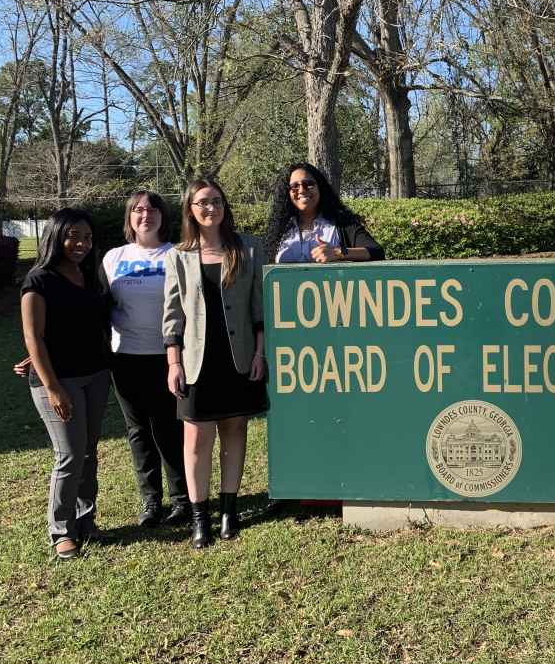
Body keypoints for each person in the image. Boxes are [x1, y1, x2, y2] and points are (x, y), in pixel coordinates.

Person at [163, 178, 267, 548]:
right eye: (204, 203)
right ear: (191, 209)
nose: (212, 208)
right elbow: (172, 315)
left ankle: (229, 510)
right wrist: (173, 362)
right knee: (196, 440)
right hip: (196, 362)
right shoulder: (178, 255)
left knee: (234, 433)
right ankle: (199, 517)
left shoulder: (250, 249)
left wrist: (260, 353)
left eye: (218, 201)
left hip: (238, 360)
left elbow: (260, 309)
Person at [20, 208, 111, 560]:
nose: (81, 244)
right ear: (56, 237)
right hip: (57, 382)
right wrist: (53, 387)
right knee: (70, 455)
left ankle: (85, 520)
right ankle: (61, 530)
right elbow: (34, 337)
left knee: (89, 452)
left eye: (87, 238)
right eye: (74, 236)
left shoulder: (88, 274)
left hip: (95, 375)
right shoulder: (38, 280)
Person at [101, 191, 190, 528]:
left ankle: (181, 500)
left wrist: (178, 357)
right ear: (129, 217)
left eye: (152, 209)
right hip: (125, 358)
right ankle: (150, 503)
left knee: (170, 430)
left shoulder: (178, 254)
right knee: (138, 432)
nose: (145, 215)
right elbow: (101, 308)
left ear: (162, 217)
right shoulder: (113, 257)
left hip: (168, 358)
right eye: (138, 209)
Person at [264, 162, 385, 264]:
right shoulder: (279, 229)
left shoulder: (341, 223)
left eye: (308, 184)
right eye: (294, 186)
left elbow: (376, 252)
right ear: (287, 193)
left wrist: (338, 252)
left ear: (320, 188)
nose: (301, 190)